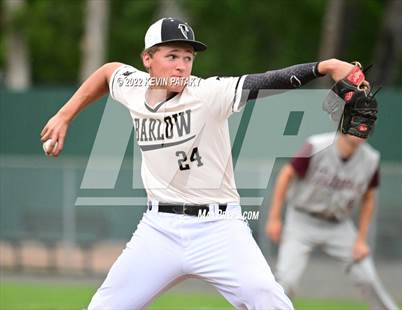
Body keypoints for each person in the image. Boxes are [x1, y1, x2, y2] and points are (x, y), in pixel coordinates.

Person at [41, 17, 368, 310]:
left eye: (188, 58)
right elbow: (108, 71)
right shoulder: (134, 87)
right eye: (171, 56)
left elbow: (265, 80)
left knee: (268, 298)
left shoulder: (207, 94)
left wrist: (323, 67)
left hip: (219, 228)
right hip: (159, 229)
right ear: (147, 60)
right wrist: (64, 115)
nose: (181, 66)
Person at [265, 132, 399, 310]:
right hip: (301, 220)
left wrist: (360, 240)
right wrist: (274, 217)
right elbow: (286, 175)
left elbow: (368, 198)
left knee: (367, 277)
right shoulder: (316, 145)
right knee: (286, 280)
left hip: (339, 225)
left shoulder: (370, 159)